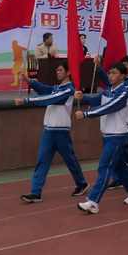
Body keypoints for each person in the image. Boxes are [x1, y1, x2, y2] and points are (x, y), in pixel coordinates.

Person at [73, 62, 128, 213]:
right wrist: (83, 98)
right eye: (109, 73)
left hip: (117, 135)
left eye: (114, 73)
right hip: (107, 134)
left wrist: (86, 114)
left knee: (104, 166)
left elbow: (107, 107)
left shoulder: (124, 93)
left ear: (122, 76)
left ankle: (93, 201)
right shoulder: (108, 91)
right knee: (119, 166)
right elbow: (96, 101)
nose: (110, 75)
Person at [16, 60, 89, 202]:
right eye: (57, 70)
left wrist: (27, 101)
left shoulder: (68, 90)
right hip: (48, 131)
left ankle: (82, 183)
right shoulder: (56, 87)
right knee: (42, 160)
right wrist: (29, 81)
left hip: (61, 131)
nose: (58, 72)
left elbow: (50, 98)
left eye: (60, 70)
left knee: (70, 159)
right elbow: (45, 89)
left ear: (68, 72)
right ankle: (36, 192)